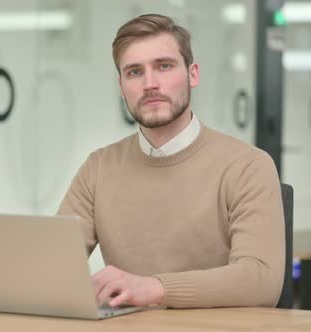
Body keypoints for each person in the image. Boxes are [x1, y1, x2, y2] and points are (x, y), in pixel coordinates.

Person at [57, 14, 284, 309]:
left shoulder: (248, 166)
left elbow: (261, 280)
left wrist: (156, 288)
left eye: (164, 66)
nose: (150, 83)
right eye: (134, 72)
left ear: (193, 74)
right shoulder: (98, 168)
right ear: (121, 86)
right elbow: (52, 267)